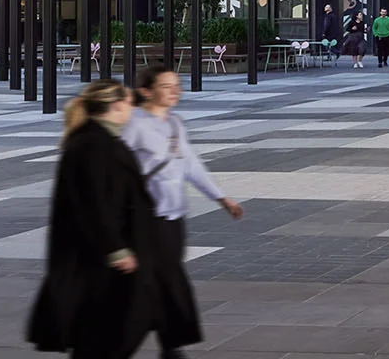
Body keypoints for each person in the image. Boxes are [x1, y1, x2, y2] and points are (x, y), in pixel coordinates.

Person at [122, 64, 245, 359]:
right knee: (158, 282)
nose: (174, 91)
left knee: (167, 280)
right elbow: (115, 167)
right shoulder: (135, 125)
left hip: (173, 217)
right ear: (146, 92)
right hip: (147, 219)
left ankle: (169, 344)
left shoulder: (175, 123)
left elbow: (191, 165)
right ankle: (147, 343)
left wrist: (221, 198)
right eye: (166, 86)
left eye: (176, 85)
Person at [27, 79, 157, 358]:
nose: (132, 109)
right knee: (110, 330)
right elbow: (93, 203)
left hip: (104, 254)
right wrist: (116, 249)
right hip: (98, 257)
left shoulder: (102, 139)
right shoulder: (92, 144)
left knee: (113, 329)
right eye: (129, 103)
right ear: (116, 105)